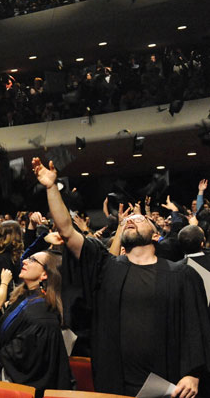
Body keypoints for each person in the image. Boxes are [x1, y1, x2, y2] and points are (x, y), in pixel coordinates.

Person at [33, 157, 210, 397]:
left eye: (140, 219)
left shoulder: (181, 274)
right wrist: (52, 187)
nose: (131, 220)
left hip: (169, 383)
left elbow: (195, 327)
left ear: (156, 236)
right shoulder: (106, 267)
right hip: (115, 382)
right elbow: (66, 229)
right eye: (127, 220)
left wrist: (193, 373)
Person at [0, 250, 72, 392]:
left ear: (44, 274)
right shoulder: (25, 296)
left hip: (19, 386)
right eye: (28, 258)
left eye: (33, 260)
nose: (25, 261)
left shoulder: (42, 314)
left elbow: (28, 358)